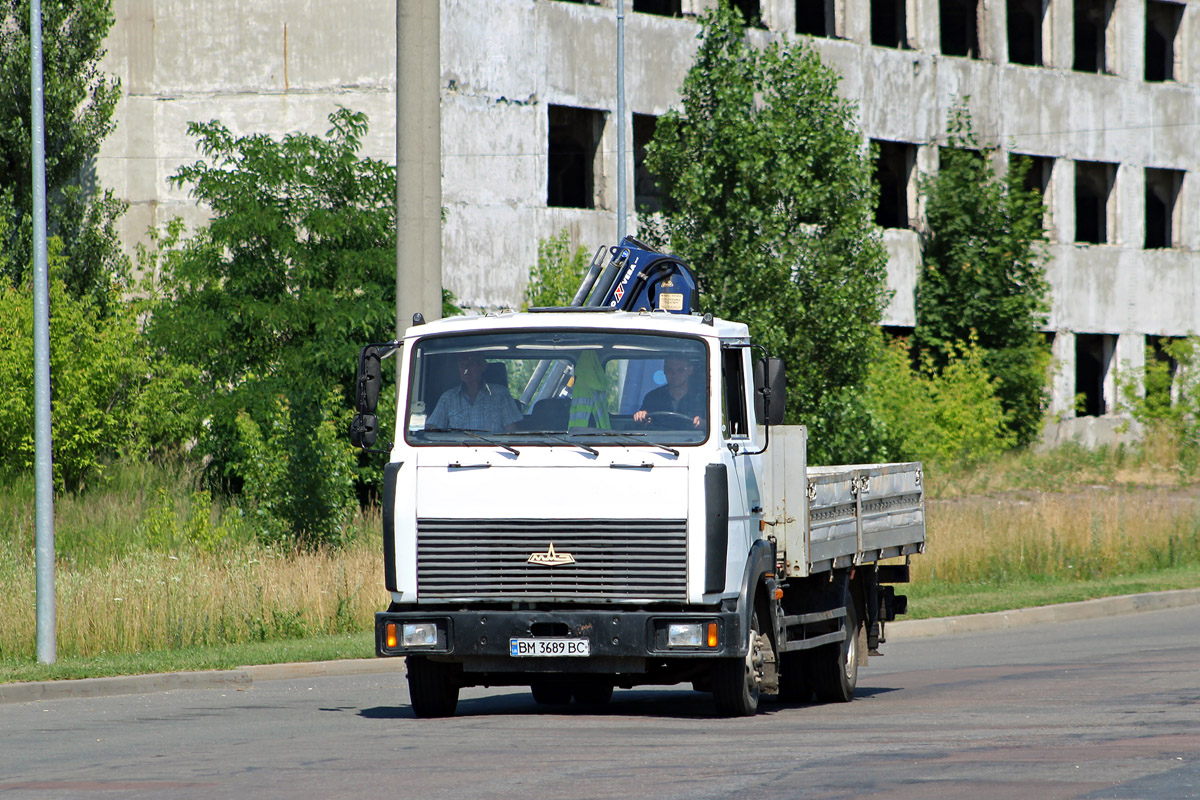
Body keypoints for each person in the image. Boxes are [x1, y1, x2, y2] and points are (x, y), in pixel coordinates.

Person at [426, 352, 521, 433]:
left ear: (483, 366)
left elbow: (512, 433)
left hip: (495, 450)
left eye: (470, 364)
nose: (465, 370)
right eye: (462, 365)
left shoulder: (501, 394)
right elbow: (432, 430)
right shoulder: (448, 398)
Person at [633, 356, 705, 428]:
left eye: (680, 370)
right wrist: (641, 416)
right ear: (664, 370)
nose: (674, 374)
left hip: (696, 439)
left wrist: (704, 424)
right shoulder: (653, 397)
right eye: (669, 370)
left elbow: (713, 424)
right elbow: (642, 423)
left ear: (690, 370)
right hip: (658, 438)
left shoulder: (702, 398)